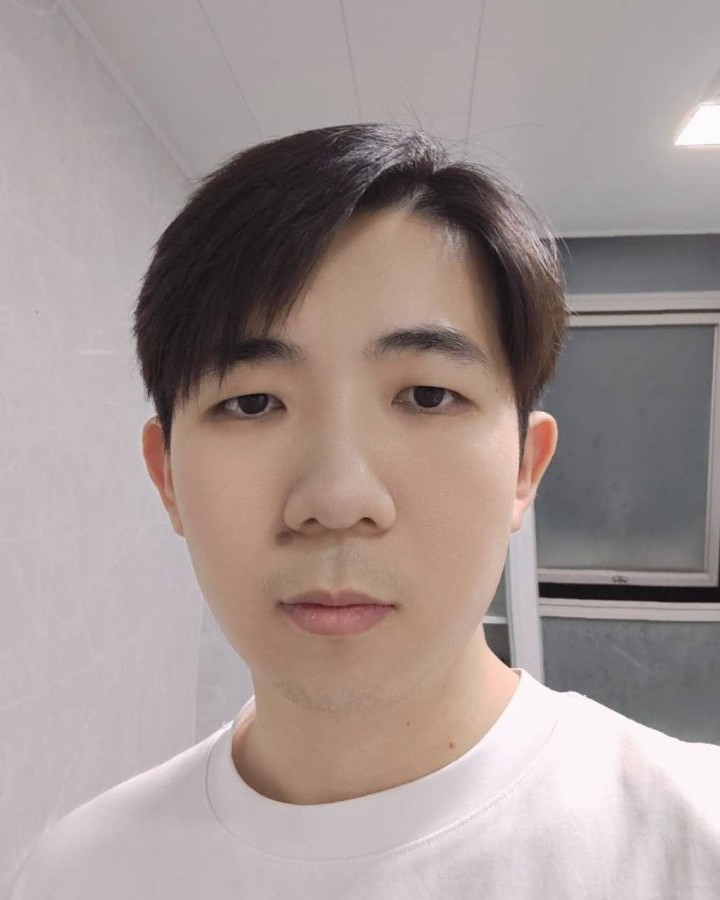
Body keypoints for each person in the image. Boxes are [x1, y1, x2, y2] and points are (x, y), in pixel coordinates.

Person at [10, 123, 719, 898]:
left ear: (525, 467)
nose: (337, 499)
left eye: (427, 395)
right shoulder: (76, 876)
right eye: (252, 403)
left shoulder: (690, 843)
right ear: (168, 476)